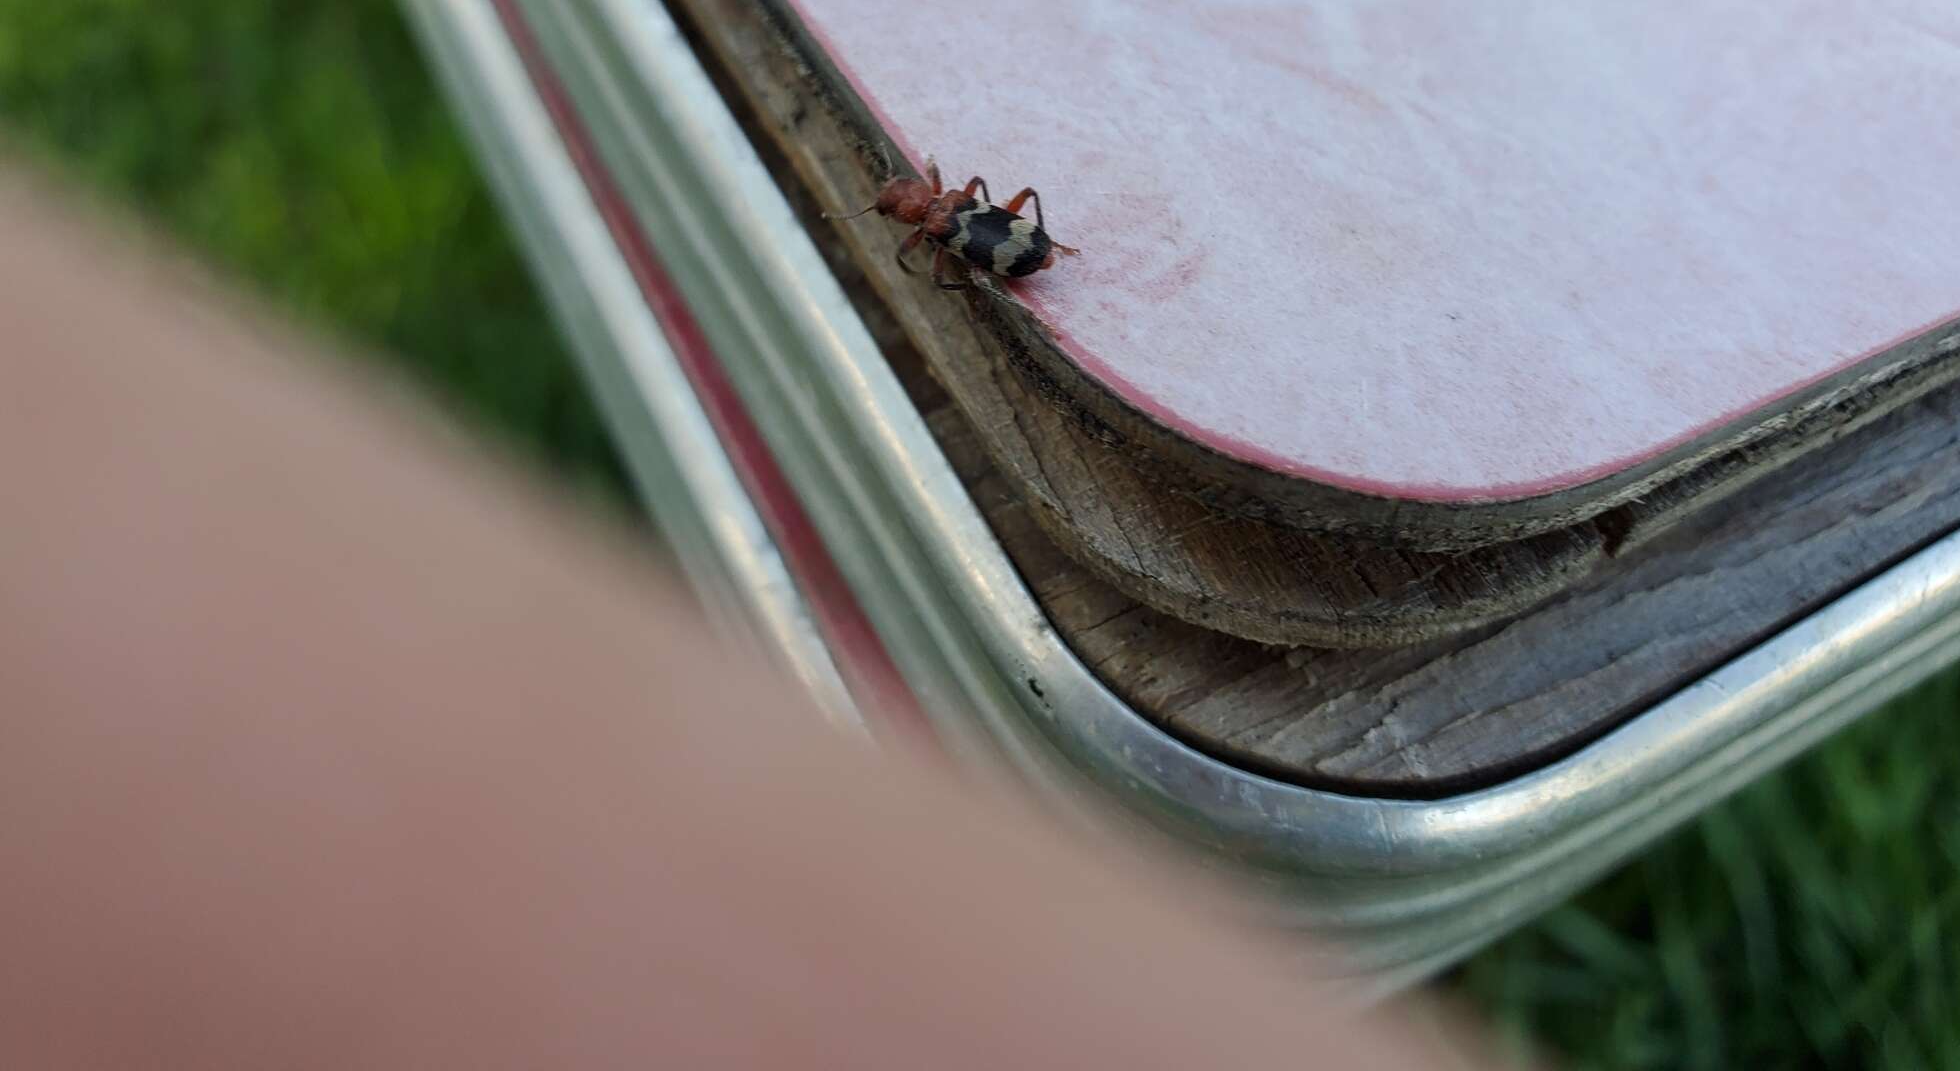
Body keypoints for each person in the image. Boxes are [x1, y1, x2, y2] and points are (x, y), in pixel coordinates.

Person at [0, 165, 1516, 1067]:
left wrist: (968, 256)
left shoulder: (952, 235)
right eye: (925, 219)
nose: (916, 219)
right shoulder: (956, 225)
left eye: (923, 214)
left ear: (936, 212)